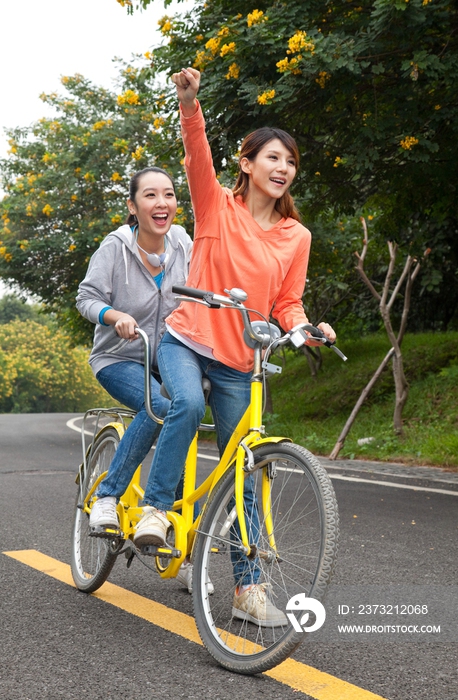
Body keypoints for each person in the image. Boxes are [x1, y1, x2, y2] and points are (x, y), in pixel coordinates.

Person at [132, 67, 336, 625]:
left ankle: (249, 590)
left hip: (241, 360)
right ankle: (154, 509)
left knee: (245, 467)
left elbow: (287, 302)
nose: (284, 169)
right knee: (186, 405)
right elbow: (196, 151)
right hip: (188, 338)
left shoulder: (298, 237)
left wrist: (306, 326)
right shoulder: (216, 205)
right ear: (247, 164)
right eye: (273, 158)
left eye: (291, 162)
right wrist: (188, 102)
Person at [76, 165, 199, 592]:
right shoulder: (115, 247)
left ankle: (182, 548)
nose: (160, 203)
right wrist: (115, 316)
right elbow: (86, 297)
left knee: (186, 421)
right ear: (133, 206)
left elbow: (206, 289)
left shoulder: (184, 242)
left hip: (170, 356)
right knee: (160, 408)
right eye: (149, 195)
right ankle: (108, 494)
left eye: (168, 194)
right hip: (119, 356)